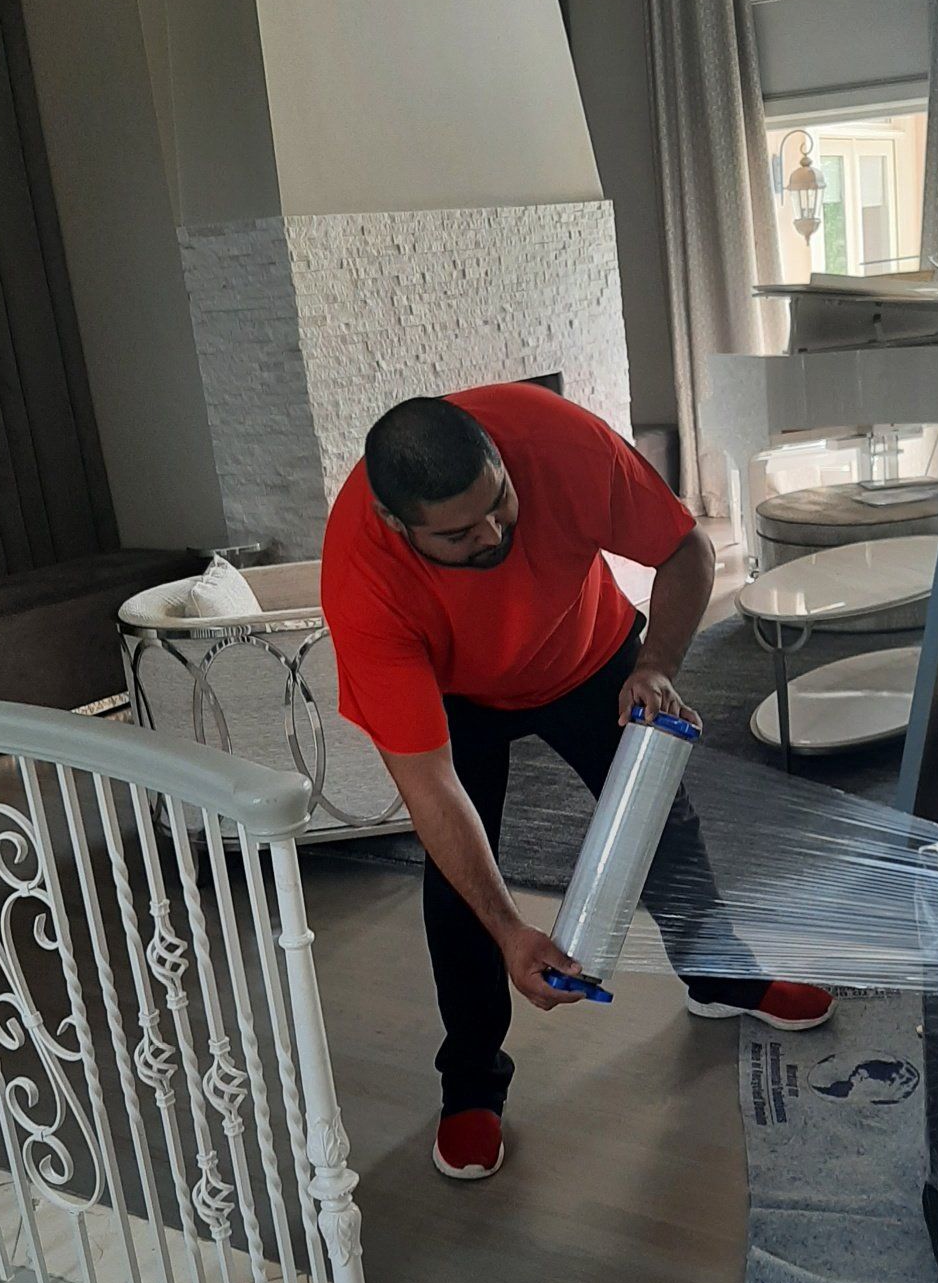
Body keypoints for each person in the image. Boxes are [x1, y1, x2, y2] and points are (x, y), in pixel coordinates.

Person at [321, 382, 834, 1180]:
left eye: (500, 504)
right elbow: (430, 787)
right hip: (459, 692)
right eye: (458, 534)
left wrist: (657, 666)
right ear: (397, 524)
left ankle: (719, 975)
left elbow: (685, 549)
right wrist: (511, 929)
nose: (492, 534)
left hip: (587, 653)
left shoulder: (558, 443)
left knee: (661, 820)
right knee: (459, 889)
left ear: (499, 460)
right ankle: (471, 1086)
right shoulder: (362, 581)